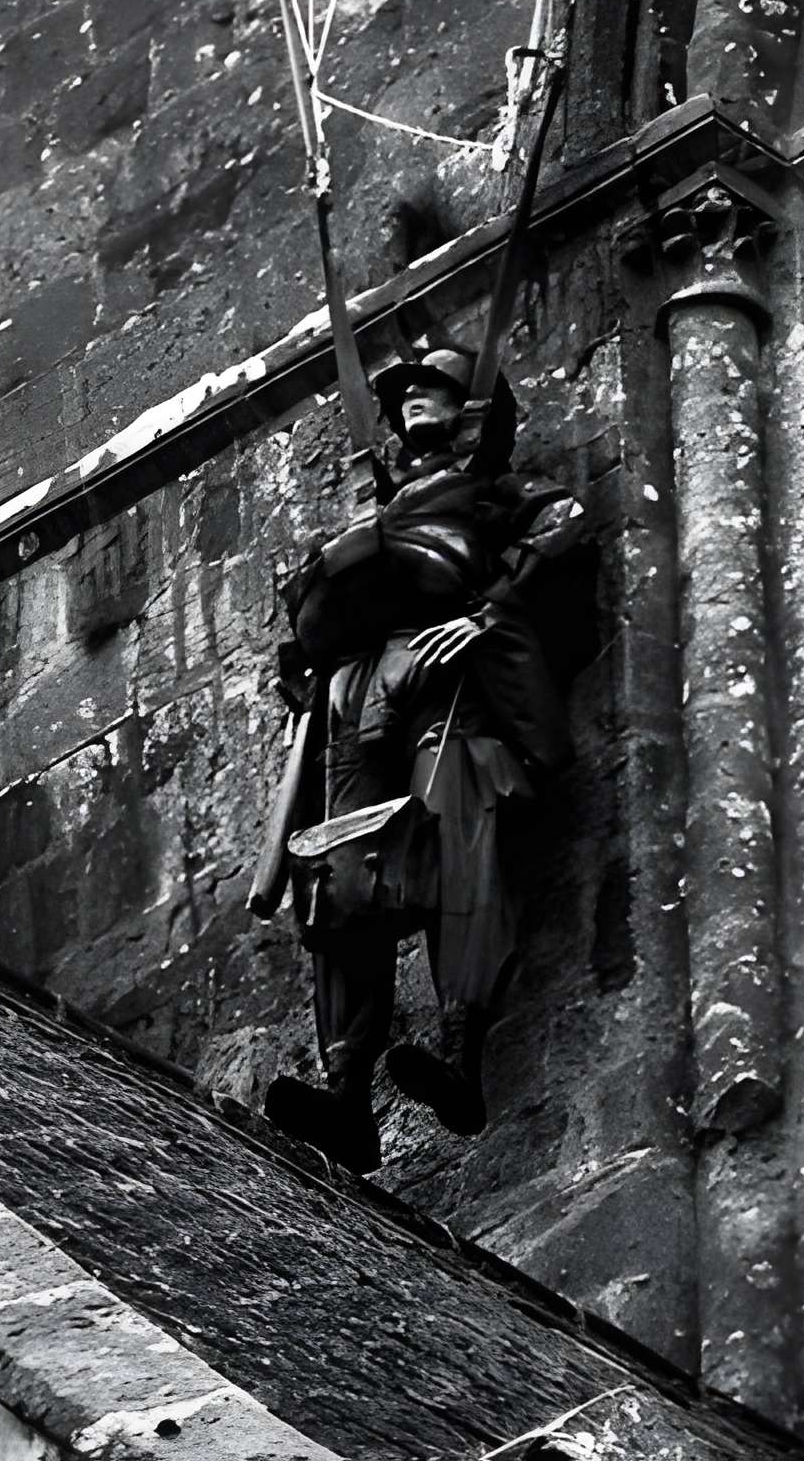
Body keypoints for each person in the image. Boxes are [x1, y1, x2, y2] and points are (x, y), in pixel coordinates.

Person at [257, 343, 585, 1173]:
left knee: (457, 824)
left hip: (448, 677)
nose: (410, 402)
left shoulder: (496, 492)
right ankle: (346, 1090)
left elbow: (564, 527)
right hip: (358, 682)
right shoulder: (379, 513)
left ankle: (459, 1051)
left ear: (473, 408)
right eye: (402, 394)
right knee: (335, 871)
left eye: (430, 389)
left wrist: (490, 612)